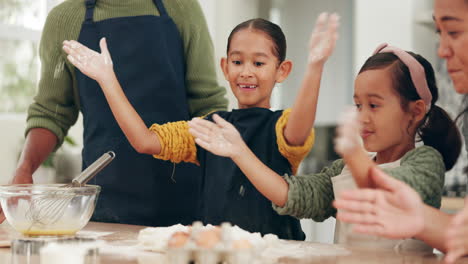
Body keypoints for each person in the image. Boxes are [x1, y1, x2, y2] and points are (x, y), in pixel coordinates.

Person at [62, 14, 339, 239]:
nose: (246, 71)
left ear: (282, 70)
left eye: (259, 63)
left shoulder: (282, 126)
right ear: (225, 67)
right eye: (237, 61)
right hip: (215, 253)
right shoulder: (207, 129)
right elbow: (144, 141)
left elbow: (300, 129)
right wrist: (107, 79)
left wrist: (315, 66)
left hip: (276, 254)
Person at [188, 41, 462, 248]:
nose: (362, 117)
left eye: (374, 105)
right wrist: (240, 152)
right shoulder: (342, 170)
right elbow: (292, 195)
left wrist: (354, 154)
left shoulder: (426, 161)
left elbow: (389, 193)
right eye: (357, 105)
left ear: (414, 112)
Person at [11, 0, 228, 227]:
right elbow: (51, 113)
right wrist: (24, 168)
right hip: (105, 203)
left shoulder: (181, 7)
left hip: (184, 202)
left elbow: (207, 103)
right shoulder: (64, 20)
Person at [333, 0, 468, 262]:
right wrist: (422, 220)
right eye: (439, 34)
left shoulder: (425, 160)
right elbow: (462, 238)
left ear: (416, 111)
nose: (441, 51)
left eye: (453, 32)